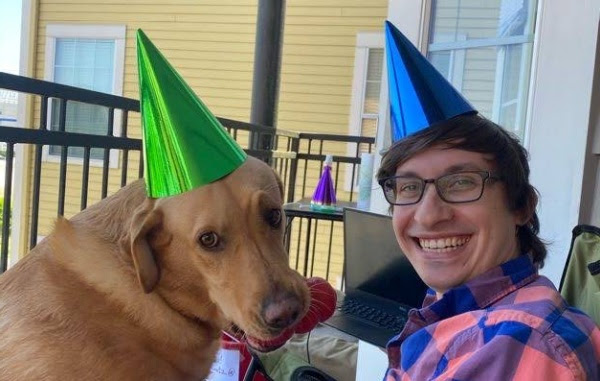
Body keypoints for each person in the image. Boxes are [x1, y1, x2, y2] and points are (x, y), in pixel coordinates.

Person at [376, 22, 600, 380]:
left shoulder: (519, 342)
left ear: (521, 206)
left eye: (462, 182)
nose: (429, 215)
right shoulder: (458, 312)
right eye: (408, 187)